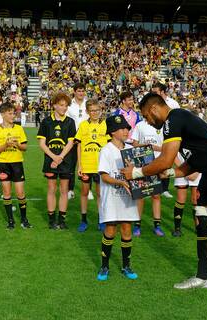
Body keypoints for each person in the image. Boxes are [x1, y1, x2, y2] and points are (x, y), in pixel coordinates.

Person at [121, 92, 207, 299]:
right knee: (202, 220)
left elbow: (167, 158)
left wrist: (137, 172)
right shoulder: (179, 121)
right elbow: (191, 163)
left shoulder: (173, 119)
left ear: (153, 109)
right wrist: (169, 173)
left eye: (147, 117)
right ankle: (203, 277)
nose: (148, 123)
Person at [97, 115, 139, 281]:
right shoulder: (106, 150)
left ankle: (126, 265)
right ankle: (104, 266)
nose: (126, 131)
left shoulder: (130, 150)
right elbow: (104, 176)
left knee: (127, 230)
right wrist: (121, 182)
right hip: (112, 198)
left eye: (127, 128)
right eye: (122, 128)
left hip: (128, 198)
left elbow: (138, 172)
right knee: (110, 230)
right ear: (113, 132)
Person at [37, 92, 76, 230]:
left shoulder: (70, 122)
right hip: (50, 160)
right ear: (54, 105)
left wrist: (60, 157)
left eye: (66, 106)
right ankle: (52, 219)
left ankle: (62, 219)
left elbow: (71, 143)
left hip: (65, 160)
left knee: (64, 190)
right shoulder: (46, 121)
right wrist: (54, 157)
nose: (64, 108)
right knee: (52, 189)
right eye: (61, 105)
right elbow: (42, 143)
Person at [0, 102, 32, 229]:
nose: (13, 115)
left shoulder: (18, 128)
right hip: (2, 164)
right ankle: (10, 221)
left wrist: (17, 145)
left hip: (17, 163)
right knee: (7, 193)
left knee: (20, 192)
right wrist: (6, 145)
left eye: (13, 113)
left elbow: (24, 147)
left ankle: (24, 219)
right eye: (10, 113)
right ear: (2, 114)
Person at [75, 99, 108, 232]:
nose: (95, 113)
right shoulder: (83, 125)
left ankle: (101, 219)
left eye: (97, 110)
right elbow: (79, 146)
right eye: (92, 111)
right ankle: (83, 220)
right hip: (86, 165)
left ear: (100, 111)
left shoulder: (105, 125)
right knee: (84, 192)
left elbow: (109, 146)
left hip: (100, 166)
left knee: (100, 193)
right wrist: (79, 165)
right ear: (88, 111)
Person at [131, 119, 165, 237]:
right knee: (140, 195)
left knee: (156, 195)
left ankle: (157, 225)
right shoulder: (140, 125)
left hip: (157, 164)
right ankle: (137, 225)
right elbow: (134, 144)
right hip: (142, 165)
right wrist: (148, 147)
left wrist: (157, 150)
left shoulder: (162, 125)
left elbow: (165, 147)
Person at [152, 82, 180, 198]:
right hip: (156, 132)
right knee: (155, 159)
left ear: (162, 92)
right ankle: (154, 187)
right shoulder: (152, 103)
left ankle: (165, 188)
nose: (153, 94)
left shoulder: (173, 103)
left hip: (170, 134)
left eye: (155, 92)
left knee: (168, 159)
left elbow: (179, 118)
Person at [66, 83, 89, 200]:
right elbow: (66, 121)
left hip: (87, 139)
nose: (81, 93)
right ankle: (70, 189)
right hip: (73, 139)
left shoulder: (88, 104)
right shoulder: (69, 104)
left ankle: (88, 190)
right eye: (79, 91)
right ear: (74, 91)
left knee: (86, 164)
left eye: (83, 91)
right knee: (71, 165)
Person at [172, 153, 201, 237]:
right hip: (181, 168)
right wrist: (184, 170)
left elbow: (204, 154)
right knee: (181, 199)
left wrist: (197, 171)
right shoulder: (180, 139)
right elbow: (174, 155)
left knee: (196, 199)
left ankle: (198, 228)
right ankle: (177, 229)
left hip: (197, 171)